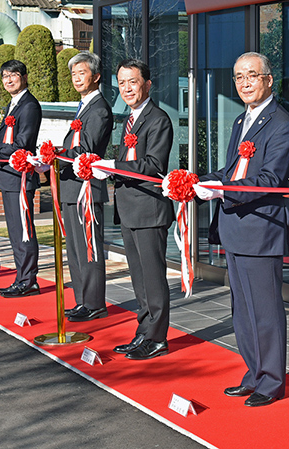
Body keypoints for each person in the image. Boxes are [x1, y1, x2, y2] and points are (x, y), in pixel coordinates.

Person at [194, 52, 289, 408]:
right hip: (235, 226)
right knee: (242, 310)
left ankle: (272, 380)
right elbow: (232, 170)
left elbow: (270, 178)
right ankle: (254, 373)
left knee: (265, 311)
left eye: (252, 76)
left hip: (260, 229)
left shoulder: (281, 122)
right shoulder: (242, 121)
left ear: (268, 80)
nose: (245, 83)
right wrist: (202, 182)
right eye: (238, 77)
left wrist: (222, 190)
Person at [92, 59, 174, 360]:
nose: (127, 88)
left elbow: (153, 166)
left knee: (153, 278)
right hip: (129, 209)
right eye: (122, 83)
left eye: (133, 82)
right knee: (138, 279)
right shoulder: (128, 120)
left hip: (149, 210)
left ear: (147, 84)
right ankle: (143, 332)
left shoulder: (158, 119)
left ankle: (157, 337)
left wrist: (113, 166)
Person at [58, 51, 113, 322]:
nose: (76, 78)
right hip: (72, 186)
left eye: (82, 73)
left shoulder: (99, 109)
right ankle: (82, 300)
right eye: (73, 74)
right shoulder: (83, 107)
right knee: (76, 249)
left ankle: (93, 303)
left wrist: (56, 155)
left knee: (89, 248)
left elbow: (86, 148)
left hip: (86, 188)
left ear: (96, 76)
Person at [0, 60, 43, 298]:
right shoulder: (13, 104)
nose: (8, 80)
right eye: (5, 76)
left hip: (20, 177)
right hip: (9, 177)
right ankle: (22, 277)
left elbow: (21, 144)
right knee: (15, 231)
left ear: (24, 77)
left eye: (13, 75)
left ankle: (28, 280)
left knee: (23, 231)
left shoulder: (28, 106)